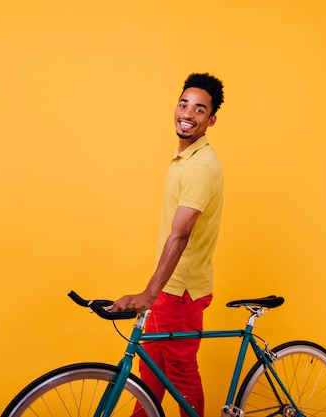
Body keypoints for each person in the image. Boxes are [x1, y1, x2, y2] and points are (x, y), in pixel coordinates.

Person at [112, 72, 225, 417]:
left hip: (182, 291)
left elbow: (181, 234)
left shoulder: (202, 167)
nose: (188, 114)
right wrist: (154, 293)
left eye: (199, 109)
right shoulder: (183, 158)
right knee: (152, 373)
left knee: (180, 373)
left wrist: (148, 294)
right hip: (169, 287)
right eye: (183, 104)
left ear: (211, 119)